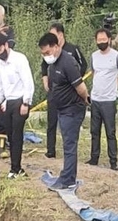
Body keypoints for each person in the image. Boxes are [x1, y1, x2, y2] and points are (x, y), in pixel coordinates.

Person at [38, 31, 89, 190]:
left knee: (69, 145)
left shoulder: (68, 62)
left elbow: (81, 87)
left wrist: (86, 99)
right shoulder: (53, 62)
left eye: (47, 52)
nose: (46, 56)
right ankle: (67, 175)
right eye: (43, 54)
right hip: (62, 109)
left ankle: (68, 180)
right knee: (67, 143)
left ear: (56, 46)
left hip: (72, 109)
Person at [0, 33, 34, 179]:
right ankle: (15, 167)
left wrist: (26, 102)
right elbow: (1, 88)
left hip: (20, 101)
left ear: (6, 45)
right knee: (10, 136)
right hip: (8, 103)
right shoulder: (0, 65)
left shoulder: (19, 59)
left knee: (17, 135)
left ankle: (16, 168)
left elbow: (28, 82)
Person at [44, 22, 86, 159]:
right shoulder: (49, 52)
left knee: (66, 126)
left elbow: (83, 65)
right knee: (51, 122)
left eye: (54, 35)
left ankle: (67, 151)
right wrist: (45, 80)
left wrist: (74, 80)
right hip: (54, 92)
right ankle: (51, 150)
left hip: (69, 93)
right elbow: (44, 67)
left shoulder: (72, 50)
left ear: (61, 35)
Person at [87, 27, 118, 170]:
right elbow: (93, 73)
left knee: (110, 132)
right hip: (95, 99)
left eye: (104, 39)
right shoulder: (93, 56)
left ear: (109, 40)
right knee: (94, 131)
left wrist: (114, 85)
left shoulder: (116, 56)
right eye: (99, 40)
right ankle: (94, 158)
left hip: (109, 101)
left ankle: (113, 162)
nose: (101, 42)